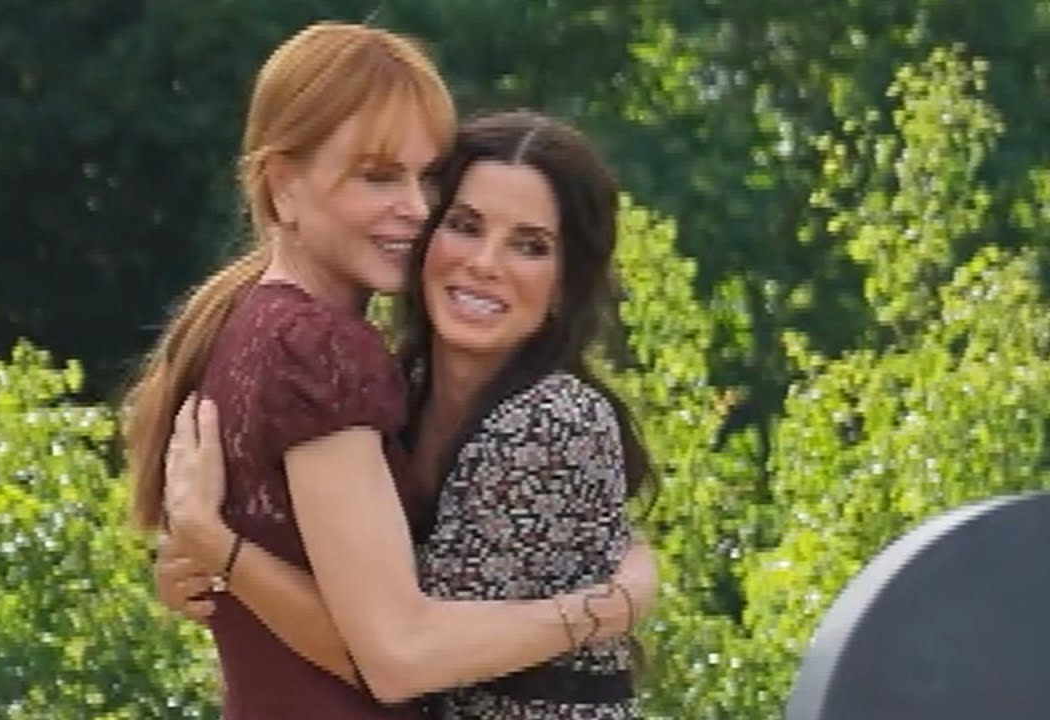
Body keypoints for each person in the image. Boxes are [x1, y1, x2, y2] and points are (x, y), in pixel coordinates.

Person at [124, 22, 657, 720]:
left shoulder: (267, 330)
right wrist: (608, 606)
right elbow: (395, 655)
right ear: (283, 187)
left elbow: (384, 644)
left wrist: (222, 555)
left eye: (426, 178)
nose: (413, 208)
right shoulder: (323, 353)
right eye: (378, 176)